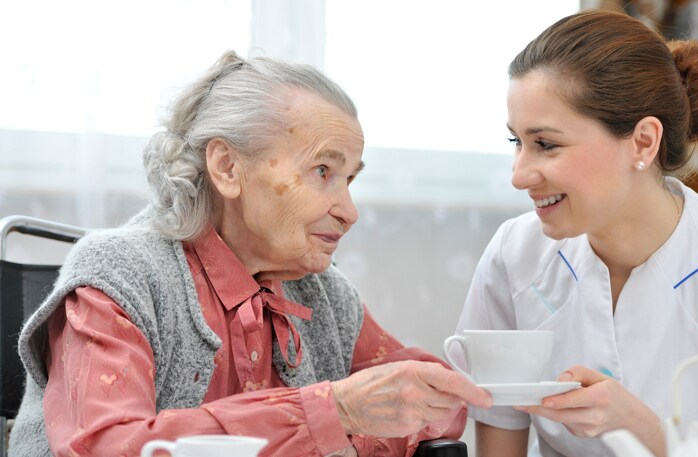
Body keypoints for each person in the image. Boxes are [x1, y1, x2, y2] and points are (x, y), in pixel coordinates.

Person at [11, 51, 492, 457]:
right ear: (227, 167)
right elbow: (106, 446)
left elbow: (438, 403)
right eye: (323, 171)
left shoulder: (323, 293)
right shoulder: (119, 277)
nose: (349, 212)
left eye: (349, 179)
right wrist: (335, 413)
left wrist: (349, 425)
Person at [451, 10, 698, 457]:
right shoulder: (514, 254)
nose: (519, 175)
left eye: (545, 144)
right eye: (517, 142)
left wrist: (635, 425)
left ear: (643, 141)